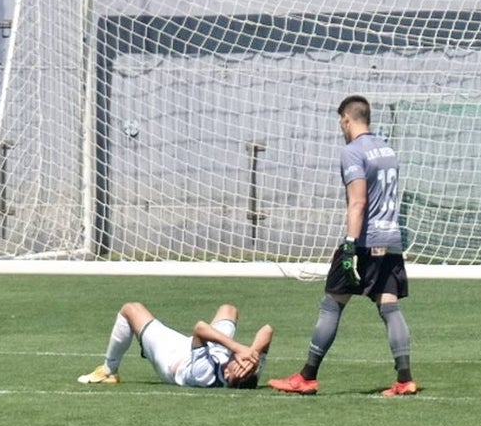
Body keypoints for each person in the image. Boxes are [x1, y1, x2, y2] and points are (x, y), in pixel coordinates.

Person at [269, 94, 417, 397]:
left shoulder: (353, 151)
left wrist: (349, 246)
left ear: (347, 119)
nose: (340, 126)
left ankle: (307, 377)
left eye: (341, 121)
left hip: (364, 242)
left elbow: (358, 201)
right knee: (389, 307)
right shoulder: (387, 149)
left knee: (332, 305)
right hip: (391, 240)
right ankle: (405, 379)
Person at [77, 302, 273, 389]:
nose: (239, 359)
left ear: (230, 376)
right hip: (208, 349)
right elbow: (267, 330)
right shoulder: (247, 370)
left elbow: (200, 329)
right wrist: (253, 354)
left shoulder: (204, 374)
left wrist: (239, 348)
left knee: (130, 309)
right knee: (228, 309)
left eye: (237, 362)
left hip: (173, 358)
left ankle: (109, 370)